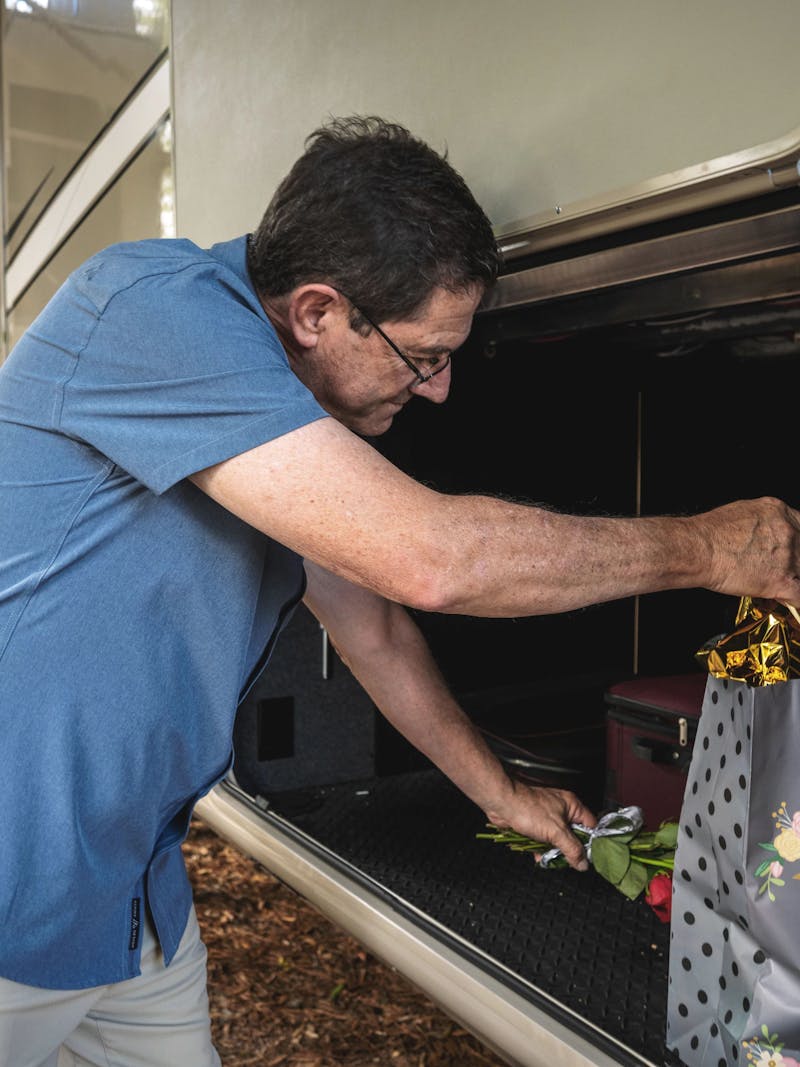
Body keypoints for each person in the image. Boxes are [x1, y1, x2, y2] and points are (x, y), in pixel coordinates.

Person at [1, 114, 799, 1067]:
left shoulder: (265, 396)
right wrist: (710, 548)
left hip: (126, 893)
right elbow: (430, 560)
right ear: (316, 311)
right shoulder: (151, 312)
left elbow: (371, 621)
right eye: (424, 355)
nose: (439, 388)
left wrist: (502, 793)